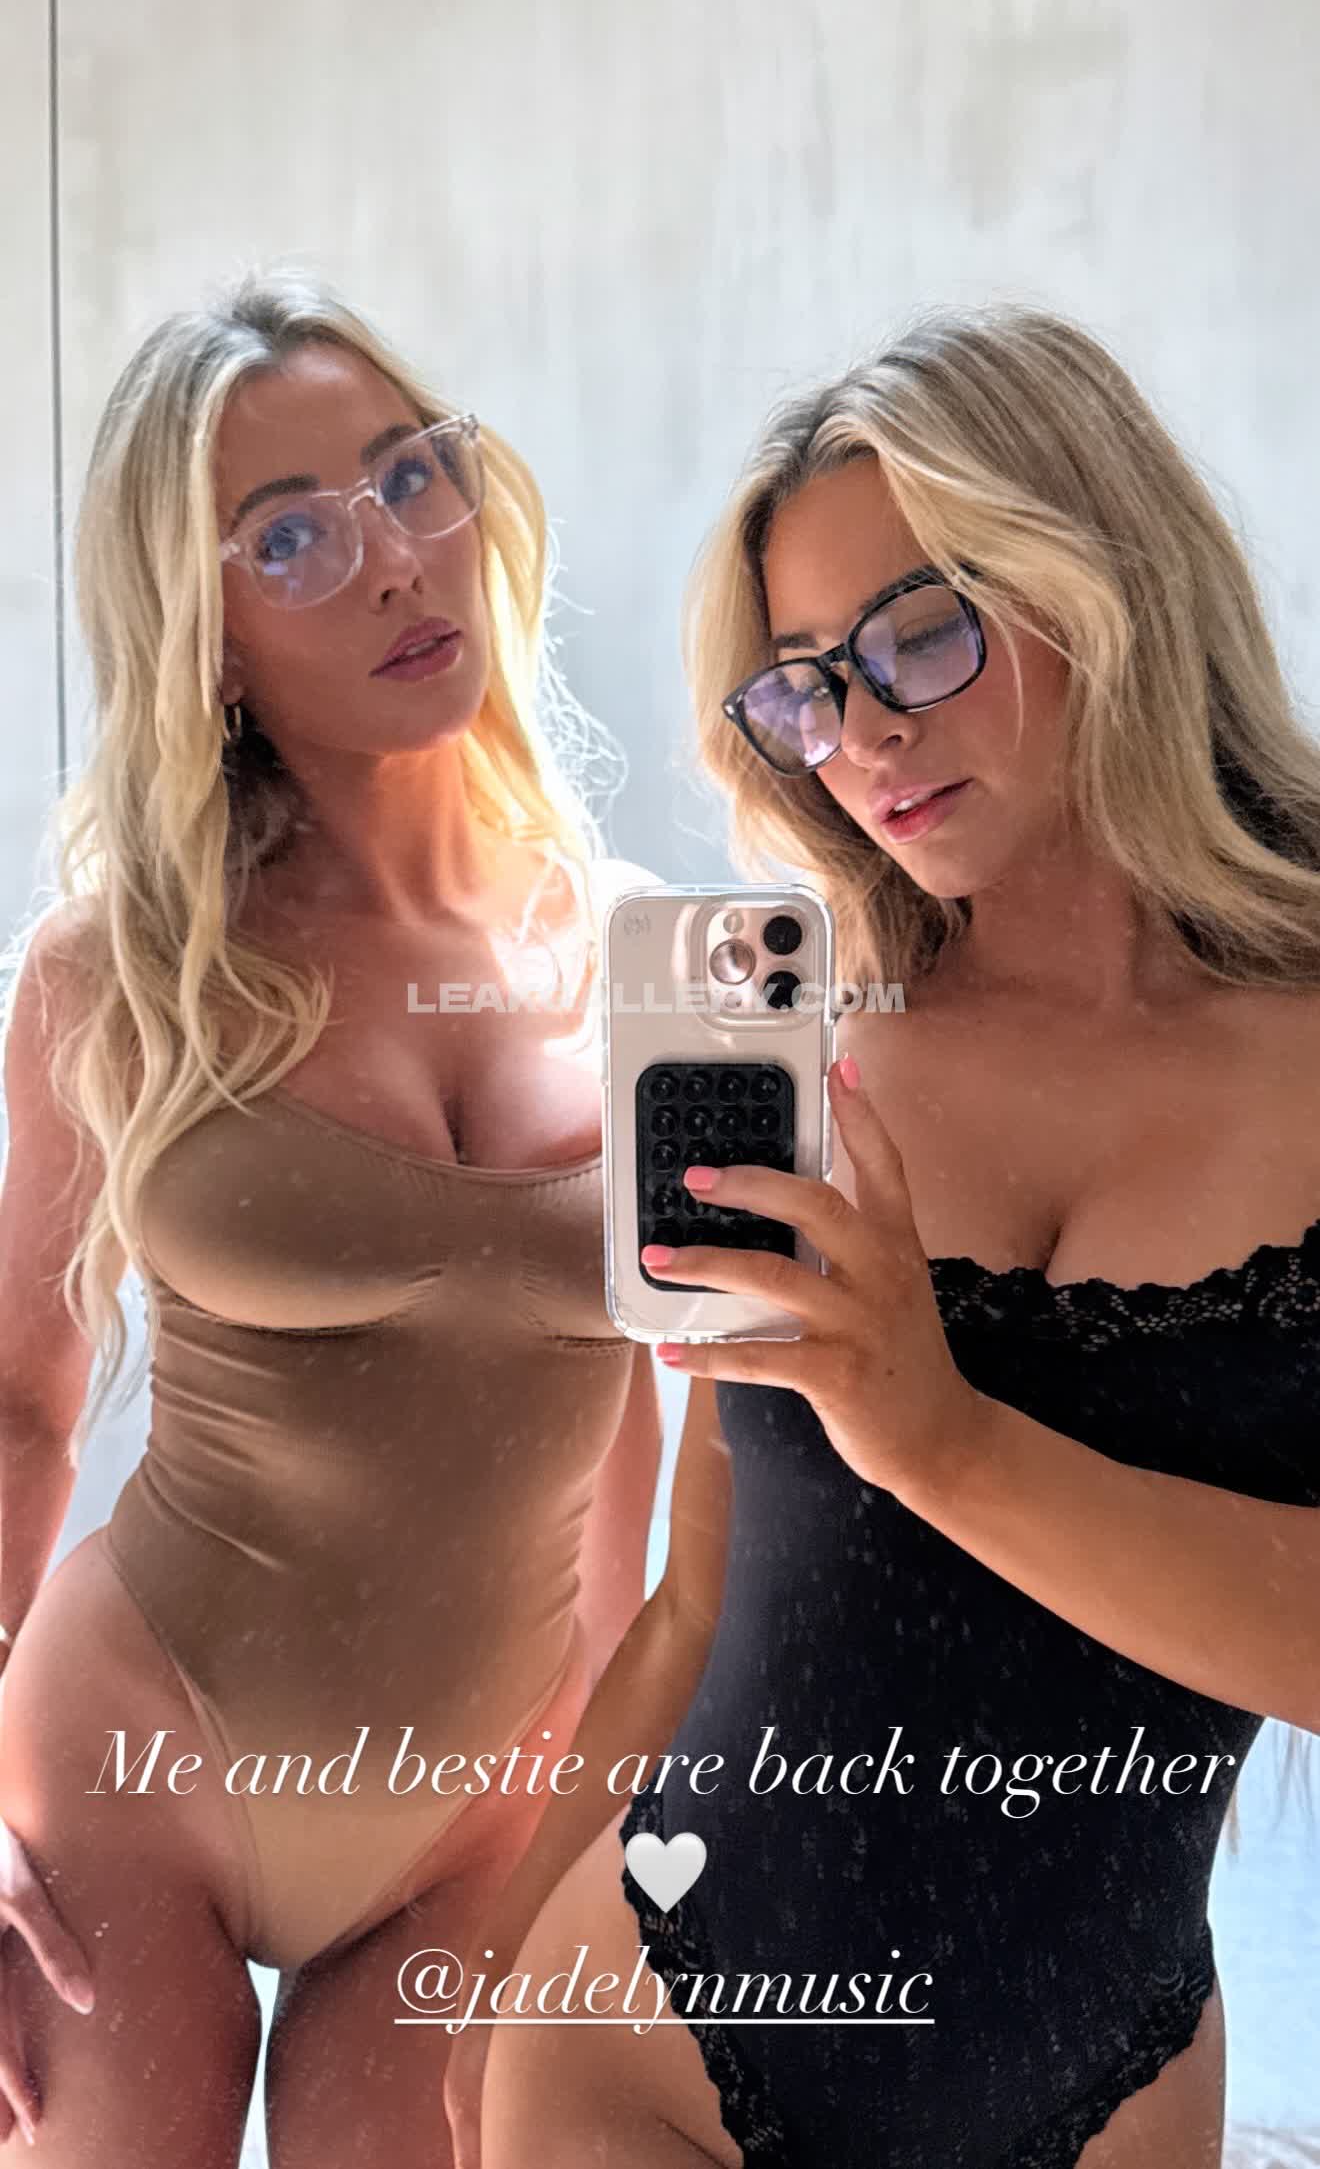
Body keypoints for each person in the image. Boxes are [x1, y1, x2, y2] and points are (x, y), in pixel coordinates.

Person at [467, 306, 1320, 2169]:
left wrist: (936, 1435)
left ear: (1102, 577)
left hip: (1110, 2091)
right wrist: (496, 1981)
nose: (858, 736)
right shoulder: (821, 1057)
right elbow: (699, 1605)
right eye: (802, 689)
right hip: (642, 2057)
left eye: (918, 635)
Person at [0, 268, 661, 2165]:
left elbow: (628, 1393)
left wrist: (604, 1787)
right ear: (201, 634)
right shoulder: (115, 973)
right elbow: (23, 1401)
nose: (395, 559)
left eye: (411, 475)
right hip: (139, 1761)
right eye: (290, 534)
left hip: (477, 1806)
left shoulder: (630, 953)